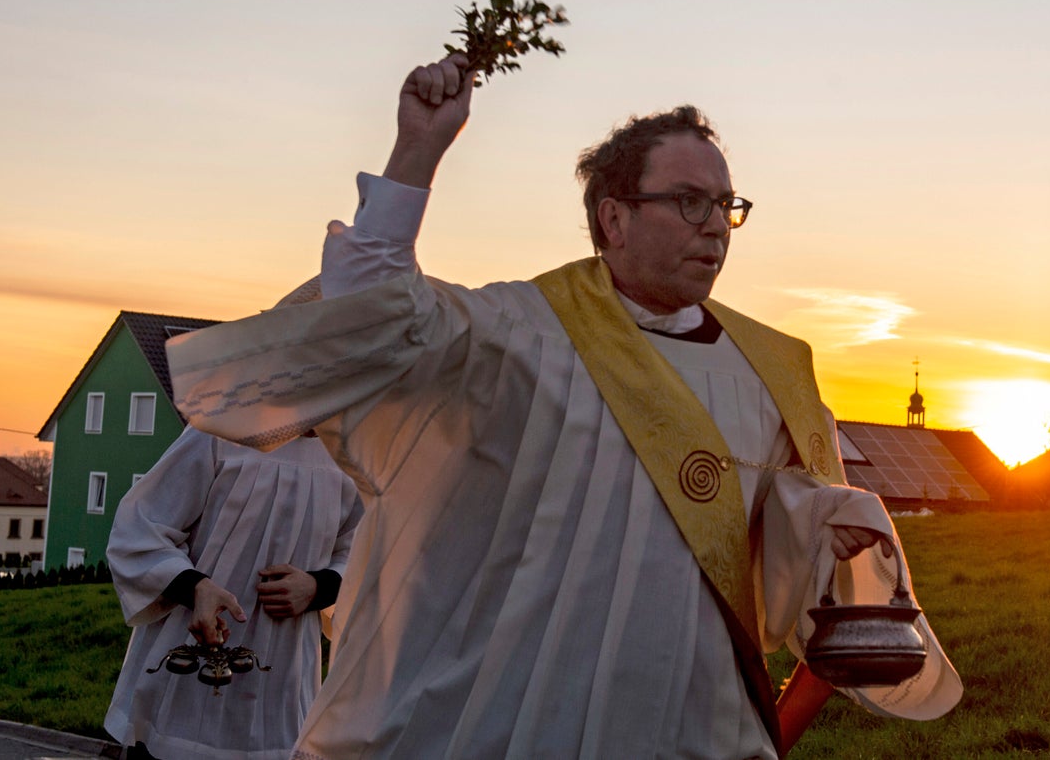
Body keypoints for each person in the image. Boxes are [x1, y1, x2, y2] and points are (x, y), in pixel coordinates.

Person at [167, 53, 961, 759]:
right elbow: (367, 318)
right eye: (689, 201)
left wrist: (835, 530)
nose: (716, 225)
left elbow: (776, 545)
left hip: (691, 719)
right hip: (516, 711)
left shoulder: (775, 372)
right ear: (612, 217)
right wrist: (416, 152)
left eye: (728, 204)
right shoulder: (516, 334)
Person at [105, 424, 364, 760]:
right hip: (186, 671)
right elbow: (140, 528)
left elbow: (366, 555)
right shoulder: (219, 431)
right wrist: (195, 587)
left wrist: (319, 586)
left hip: (282, 682)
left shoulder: (352, 456)